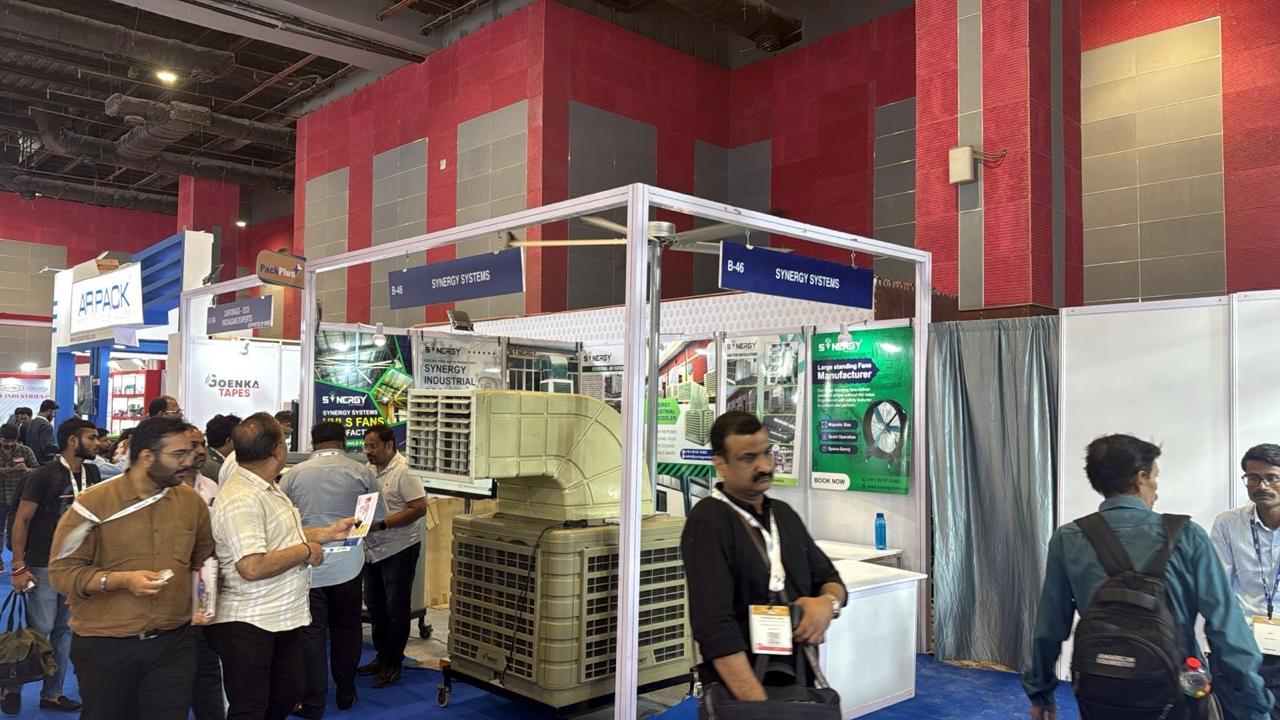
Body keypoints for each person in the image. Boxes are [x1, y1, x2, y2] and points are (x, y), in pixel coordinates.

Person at [1024, 434, 1273, 719]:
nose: (1156, 489)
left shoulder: (1068, 538)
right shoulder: (1188, 536)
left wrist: (1040, 690)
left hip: (1099, 686)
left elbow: (1049, 626)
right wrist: (1254, 703)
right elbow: (1225, 627)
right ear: (1140, 478)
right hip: (1173, 691)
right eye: (1155, 477)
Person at [48, 416, 215, 720]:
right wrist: (120, 580)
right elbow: (62, 573)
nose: (189, 461)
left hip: (173, 643)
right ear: (147, 457)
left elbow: (204, 559)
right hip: (106, 644)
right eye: (179, 454)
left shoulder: (191, 503)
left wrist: (205, 601)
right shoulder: (92, 504)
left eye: (190, 452)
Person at [680, 411, 845, 703]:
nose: (765, 466)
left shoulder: (783, 514)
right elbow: (715, 628)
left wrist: (827, 604)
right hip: (742, 692)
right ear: (720, 464)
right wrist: (758, 707)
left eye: (767, 452)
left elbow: (830, 579)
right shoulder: (709, 522)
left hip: (797, 680)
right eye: (748, 458)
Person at [206, 413, 354, 720]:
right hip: (249, 622)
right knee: (251, 707)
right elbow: (251, 566)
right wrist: (305, 551)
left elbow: (278, 537)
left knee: (286, 693)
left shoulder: (267, 487)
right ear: (278, 449)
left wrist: (327, 533)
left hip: (281, 617)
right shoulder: (241, 498)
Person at [281, 422, 386, 717]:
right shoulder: (361, 472)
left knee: (311, 634)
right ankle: (346, 691)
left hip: (309, 566)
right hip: (348, 566)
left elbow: (282, 522)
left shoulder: (293, 475)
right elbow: (378, 516)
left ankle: (312, 701)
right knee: (347, 629)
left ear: (313, 443)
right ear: (343, 441)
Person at [4, 418, 101, 714]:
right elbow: (22, 520)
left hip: (77, 566)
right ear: (72, 441)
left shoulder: (92, 473)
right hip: (43, 563)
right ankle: (11, 685)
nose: (98, 443)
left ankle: (53, 693)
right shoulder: (44, 475)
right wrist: (18, 565)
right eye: (92, 437)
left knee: (65, 631)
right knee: (40, 628)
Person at [1212, 443, 1280, 719]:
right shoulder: (1228, 523)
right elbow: (1219, 589)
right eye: (1253, 478)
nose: (1261, 486)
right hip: (1244, 648)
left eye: (1271, 477)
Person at [358, 425, 426, 688]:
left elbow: (418, 508)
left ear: (389, 445)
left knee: (396, 608)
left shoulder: (405, 470)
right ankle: (381, 656)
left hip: (399, 547)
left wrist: (384, 524)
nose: (369, 451)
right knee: (375, 605)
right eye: (366, 446)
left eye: (374, 446)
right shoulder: (368, 470)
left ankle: (393, 663)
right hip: (373, 549)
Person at [182, 424, 225, 720]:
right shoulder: (161, 489)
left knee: (207, 665)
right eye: (193, 444)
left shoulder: (211, 486)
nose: (200, 450)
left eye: (202, 444)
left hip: (204, 584)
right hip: (168, 589)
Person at [0, 423, 36, 569]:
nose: (9, 444)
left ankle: (20, 560)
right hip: (1, 497)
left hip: (20, 498)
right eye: (5, 440)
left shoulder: (26, 451)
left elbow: (38, 470)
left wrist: (27, 469)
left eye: (12, 441)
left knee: (21, 529)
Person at [204, 414, 241, 483]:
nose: (243, 442)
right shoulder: (210, 466)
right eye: (240, 438)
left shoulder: (212, 458)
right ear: (229, 441)